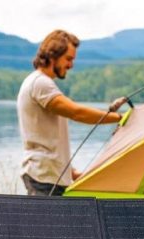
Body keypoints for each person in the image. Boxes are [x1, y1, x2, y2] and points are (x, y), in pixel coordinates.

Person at [17, 29, 127, 196]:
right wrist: (120, 118)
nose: (71, 65)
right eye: (68, 59)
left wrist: (71, 172)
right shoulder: (40, 83)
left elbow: (48, 141)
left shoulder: (40, 82)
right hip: (43, 179)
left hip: (48, 176)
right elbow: (77, 113)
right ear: (52, 55)